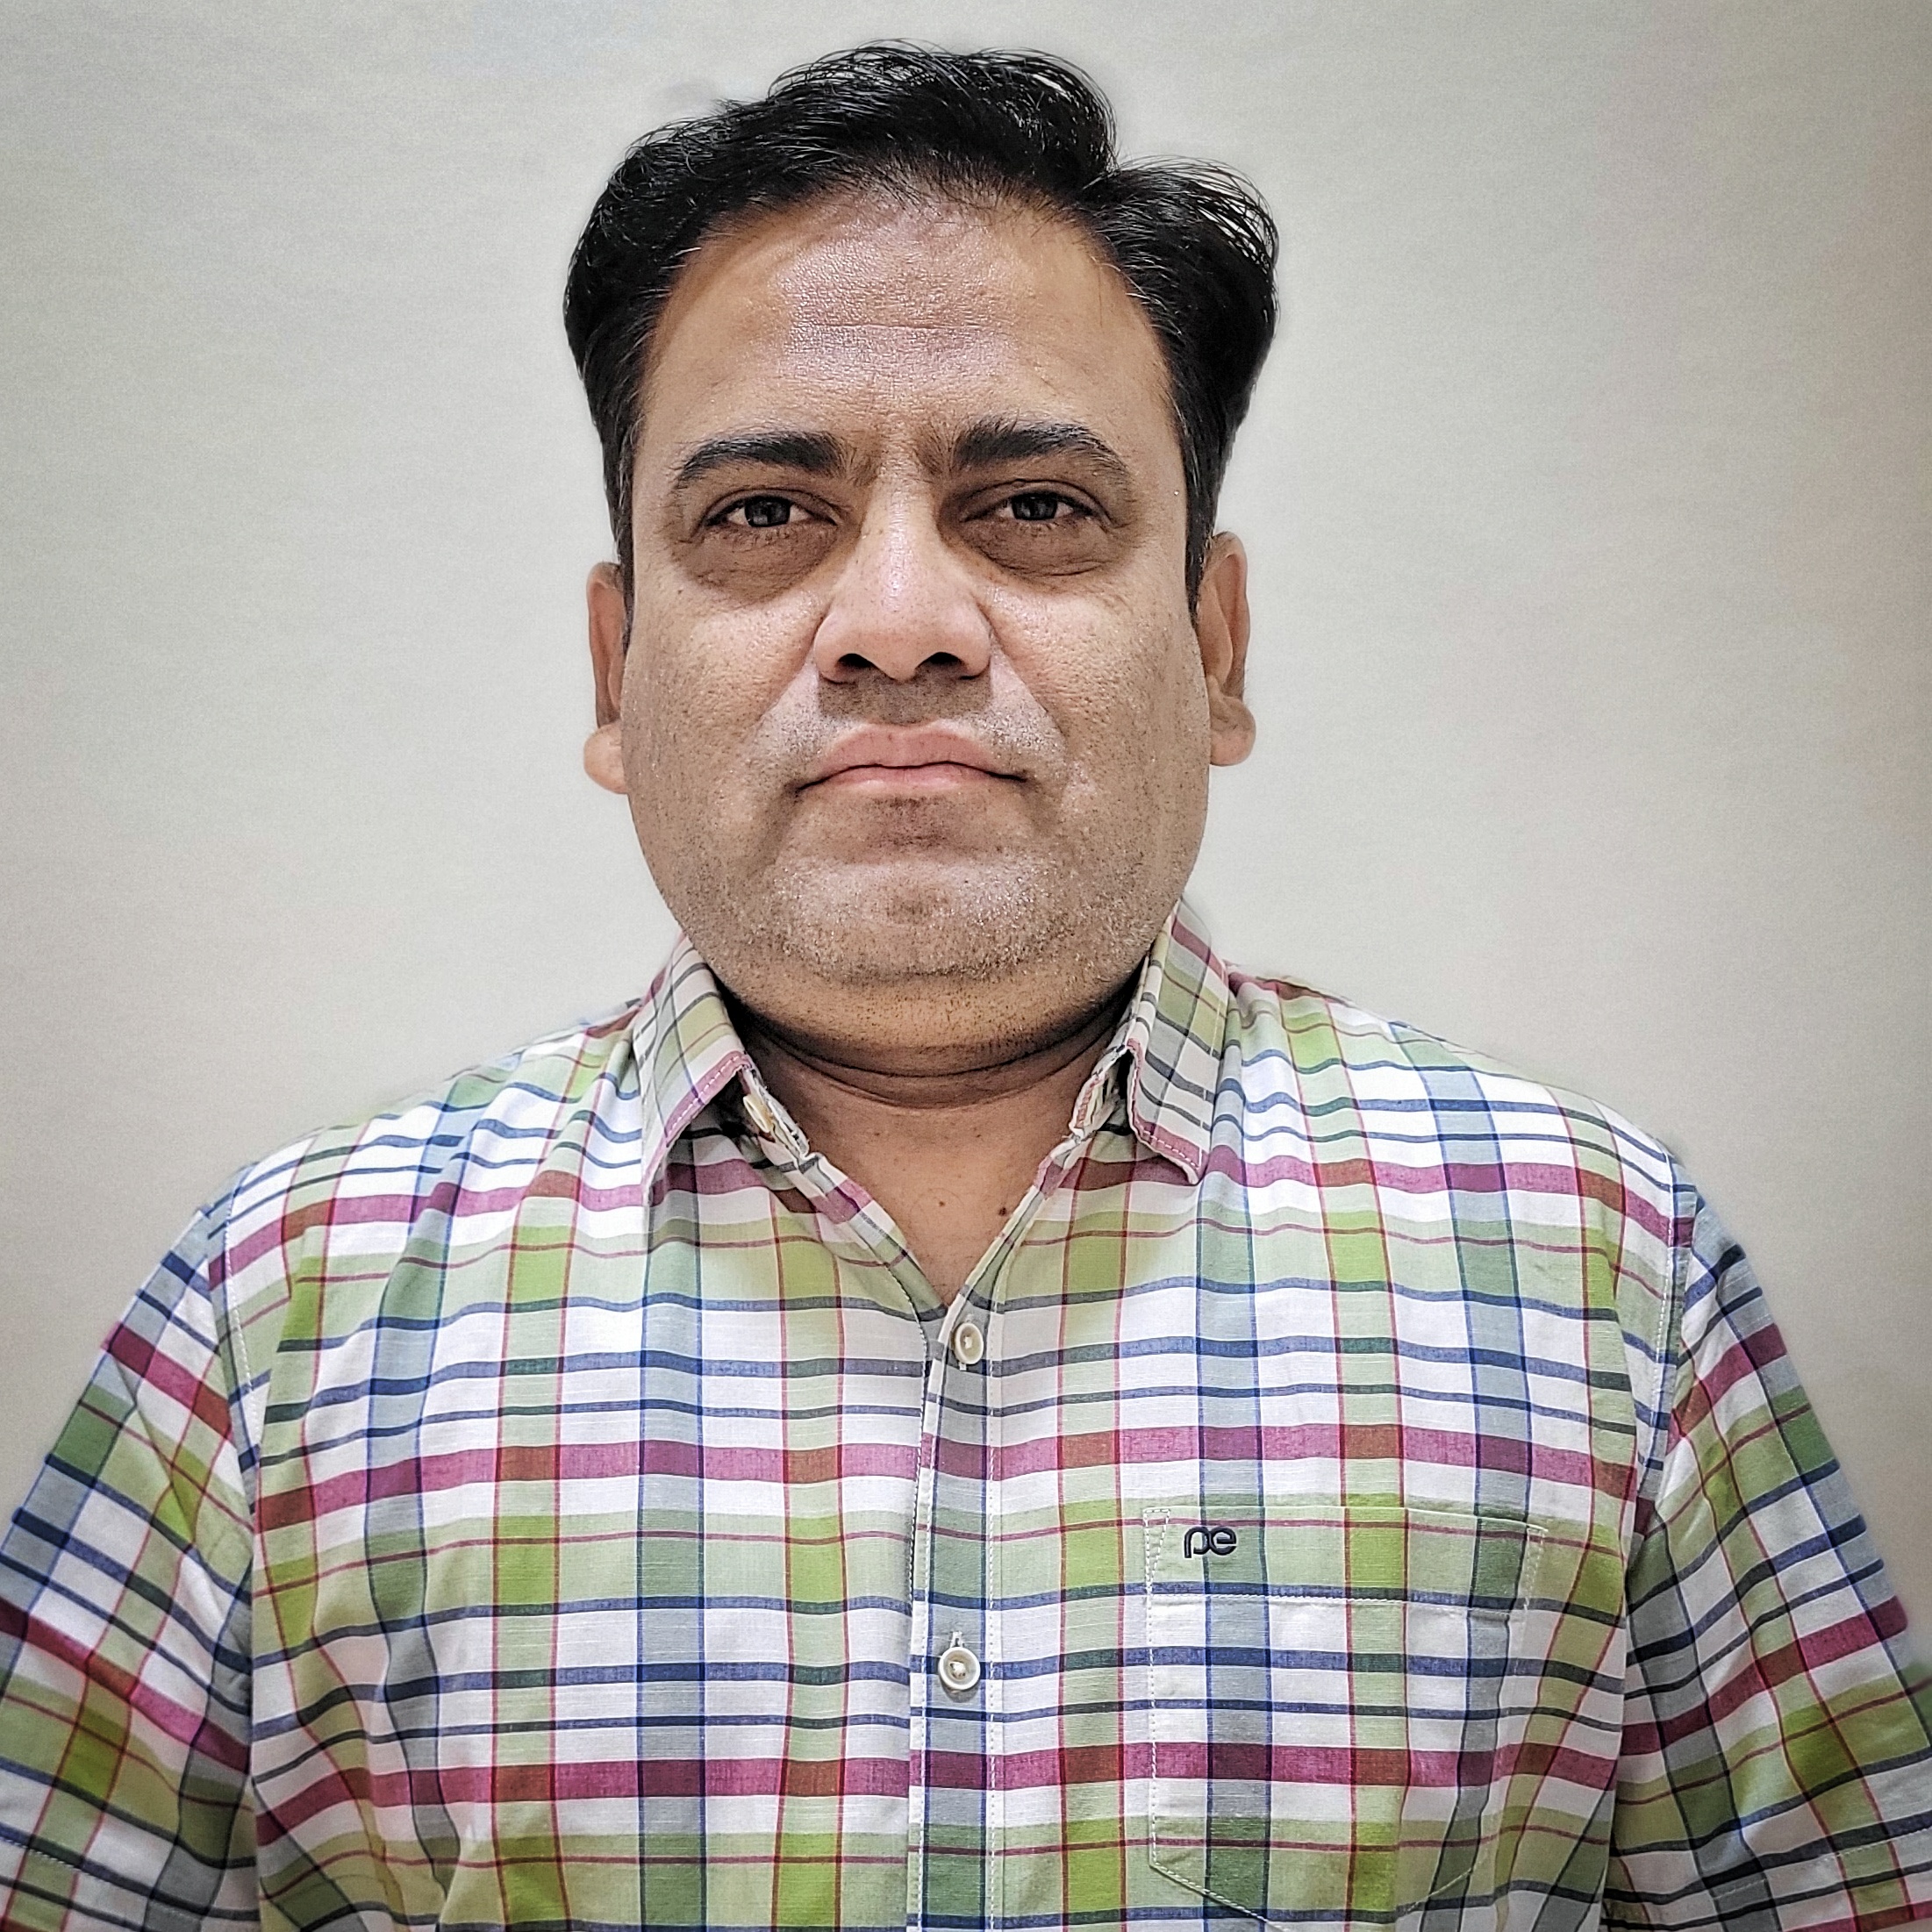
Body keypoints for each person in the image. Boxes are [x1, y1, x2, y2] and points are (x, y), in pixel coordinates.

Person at [0, 41, 1926, 1932]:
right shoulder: (283, 1310)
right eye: (766, 513)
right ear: (614, 673)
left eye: (1035, 507)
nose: (901, 627)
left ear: (1216, 643)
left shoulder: (1597, 1265)